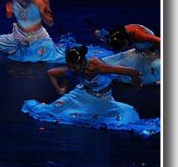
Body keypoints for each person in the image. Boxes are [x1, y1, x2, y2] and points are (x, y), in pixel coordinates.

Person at [21, 45, 159, 136]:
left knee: (125, 115)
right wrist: (61, 89)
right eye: (69, 66)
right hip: (81, 94)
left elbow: (132, 72)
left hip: (102, 98)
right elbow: (51, 73)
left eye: (74, 67)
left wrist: (137, 86)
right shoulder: (74, 67)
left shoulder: (97, 67)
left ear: (82, 62)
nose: (71, 69)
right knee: (51, 110)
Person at [96, 24, 161, 85]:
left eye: (124, 46)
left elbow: (159, 41)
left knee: (154, 66)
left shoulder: (138, 34)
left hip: (152, 47)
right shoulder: (115, 35)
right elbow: (98, 32)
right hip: (140, 50)